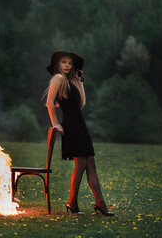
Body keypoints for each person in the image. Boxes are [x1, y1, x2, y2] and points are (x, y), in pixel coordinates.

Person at [44, 51, 114, 216]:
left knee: (90, 163)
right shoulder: (58, 79)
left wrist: (79, 80)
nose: (67, 65)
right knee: (81, 164)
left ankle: (97, 205)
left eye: (69, 63)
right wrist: (56, 124)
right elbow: (49, 102)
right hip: (71, 127)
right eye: (64, 62)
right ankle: (78, 204)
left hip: (80, 126)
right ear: (58, 64)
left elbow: (81, 103)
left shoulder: (70, 81)